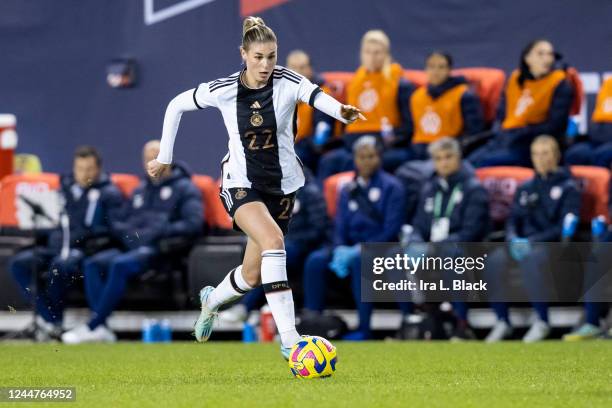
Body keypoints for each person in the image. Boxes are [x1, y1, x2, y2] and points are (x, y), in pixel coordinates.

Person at [146, 16, 365, 359]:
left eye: (272, 57)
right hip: (240, 182)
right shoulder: (224, 89)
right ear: (243, 54)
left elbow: (316, 95)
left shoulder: (288, 81)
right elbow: (176, 105)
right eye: (259, 57)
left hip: (282, 186)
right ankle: (291, 342)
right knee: (274, 242)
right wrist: (164, 157)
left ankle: (211, 301)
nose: (265, 65)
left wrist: (342, 112)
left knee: (251, 274)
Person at [61, 140, 203, 343]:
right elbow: (125, 220)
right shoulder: (141, 189)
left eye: (156, 156)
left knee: (119, 264)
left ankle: (94, 325)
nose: (152, 162)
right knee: (93, 263)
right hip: (132, 247)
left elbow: (193, 224)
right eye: (147, 158)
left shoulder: (185, 188)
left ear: (168, 157)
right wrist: (129, 236)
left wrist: (160, 232)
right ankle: (101, 327)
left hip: (161, 249)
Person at [8, 146, 124, 341]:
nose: (84, 174)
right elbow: (53, 220)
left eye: (89, 169)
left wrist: (89, 240)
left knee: (61, 265)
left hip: (83, 250)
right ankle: (49, 319)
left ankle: (55, 321)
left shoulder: (109, 193)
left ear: (98, 169)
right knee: (19, 263)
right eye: (80, 168)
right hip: (55, 247)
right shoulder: (64, 189)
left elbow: (113, 229)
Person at [302, 136, 408, 340]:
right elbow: (340, 224)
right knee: (316, 260)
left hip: (381, 246)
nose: (366, 161)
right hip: (349, 245)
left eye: (371, 156)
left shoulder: (393, 187)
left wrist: (360, 248)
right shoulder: (348, 189)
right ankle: (312, 323)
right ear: (355, 159)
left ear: (380, 157)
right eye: (361, 157)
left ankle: (364, 328)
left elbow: (391, 229)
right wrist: (340, 247)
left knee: (361, 260)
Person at [485, 135, 581, 343]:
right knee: (492, 261)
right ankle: (502, 320)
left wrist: (532, 241)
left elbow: (563, 227)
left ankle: (542, 320)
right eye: (536, 154)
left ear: (556, 156)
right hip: (520, 242)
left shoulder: (569, 188)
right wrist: (512, 238)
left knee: (532, 258)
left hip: (550, 245)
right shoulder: (526, 187)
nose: (540, 159)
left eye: (545, 153)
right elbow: (513, 219)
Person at [407, 137, 490, 339]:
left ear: (459, 158)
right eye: (438, 158)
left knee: (449, 254)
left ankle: (462, 323)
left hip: (469, 249)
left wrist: (435, 246)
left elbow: (471, 231)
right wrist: (416, 240)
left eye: (448, 157)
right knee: (402, 255)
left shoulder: (473, 188)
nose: (443, 162)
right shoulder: (430, 189)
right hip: (434, 248)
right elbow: (419, 224)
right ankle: (420, 320)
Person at [220, 169, 329, 321]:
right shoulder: (274, 192)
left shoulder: (310, 192)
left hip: (305, 245)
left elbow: (319, 228)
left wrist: (289, 239)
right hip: (284, 242)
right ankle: (258, 310)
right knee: (260, 248)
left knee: (274, 253)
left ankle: (246, 307)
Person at [317, 30, 413, 180]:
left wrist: (390, 141)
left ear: (386, 54)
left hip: (384, 145)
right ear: (361, 53)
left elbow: (408, 126)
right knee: (328, 161)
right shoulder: (355, 82)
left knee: (380, 160)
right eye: (368, 52)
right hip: (353, 144)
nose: (372, 57)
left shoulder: (400, 83)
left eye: (377, 52)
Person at [469, 39, 574, 167]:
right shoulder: (514, 79)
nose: (547, 58)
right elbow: (502, 114)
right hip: (504, 139)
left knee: (483, 163)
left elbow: (555, 126)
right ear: (527, 58)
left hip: (530, 143)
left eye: (550, 54)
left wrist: (522, 132)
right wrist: (500, 131)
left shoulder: (561, 84)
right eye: (540, 54)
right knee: (465, 162)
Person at [407, 52, 484, 159]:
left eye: (441, 67)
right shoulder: (416, 96)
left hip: (447, 152)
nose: (435, 71)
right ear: (425, 70)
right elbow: (410, 129)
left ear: (449, 70)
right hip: (419, 150)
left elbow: (474, 132)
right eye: (431, 66)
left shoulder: (464, 95)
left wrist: (455, 149)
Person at [286, 50, 336, 172]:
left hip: (308, 148)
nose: (298, 72)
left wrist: (315, 145)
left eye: (302, 67)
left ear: (310, 69)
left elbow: (322, 131)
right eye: (293, 68)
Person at [565, 75, 612, 167]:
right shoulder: (608, 84)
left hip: (607, 144)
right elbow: (598, 117)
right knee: (575, 153)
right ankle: (572, 181)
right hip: (595, 140)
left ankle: (601, 180)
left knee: (603, 153)